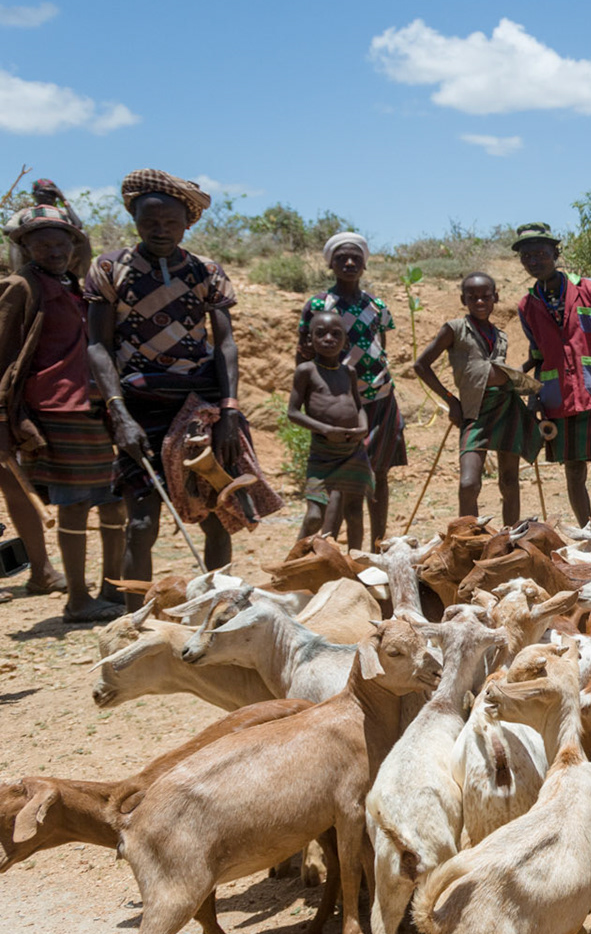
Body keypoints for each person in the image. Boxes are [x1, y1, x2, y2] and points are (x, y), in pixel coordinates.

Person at [85, 170, 249, 604]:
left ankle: (220, 613)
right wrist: (118, 414)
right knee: (141, 524)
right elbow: (98, 346)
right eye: (149, 222)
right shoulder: (109, 269)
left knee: (217, 513)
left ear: (187, 224)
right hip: (137, 406)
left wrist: (229, 410)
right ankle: (136, 625)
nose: (160, 231)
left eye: (170, 224)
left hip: (199, 407)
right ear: (133, 218)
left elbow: (225, 342)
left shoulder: (205, 272)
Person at [0, 206, 125, 621]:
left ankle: (114, 587)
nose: (54, 250)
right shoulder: (21, 286)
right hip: (54, 407)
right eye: (42, 242)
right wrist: (7, 419)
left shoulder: (75, 284)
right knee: (74, 504)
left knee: (113, 500)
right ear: (25, 246)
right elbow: (4, 355)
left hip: (94, 403)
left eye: (62, 241)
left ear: (75, 246)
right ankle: (78, 599)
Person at [512, 222, 591, 524]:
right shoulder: (527, 305)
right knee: (574, 472)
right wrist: (534, 398)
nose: (534, 261)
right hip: (558, 401)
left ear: (556, 252)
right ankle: (589, 536)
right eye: (527, 257)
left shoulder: (590, 290)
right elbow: (538, 356)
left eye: (541, 253)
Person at [297, 232, 405, 541]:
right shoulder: (318, 304)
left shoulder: (376, 305)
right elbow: (302, 354)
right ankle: (331, 547)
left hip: (380, 396)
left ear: (365, 265)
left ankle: (379, 544)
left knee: (379, 473)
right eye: (341, 257)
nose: (349, 262)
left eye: (356, 258)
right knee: (342, 480)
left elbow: (378, 346)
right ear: (330, 263)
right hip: (338, 402)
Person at [415, 272, 539, 521]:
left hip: (507, 407)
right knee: (469, 484)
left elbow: (497, 372)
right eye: (473, 297)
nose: (480, 302)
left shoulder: (501, 335)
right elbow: (421, 365)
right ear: (464, 299)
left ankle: (510, 537)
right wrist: (451, 399)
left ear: (496, 297)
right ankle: (469, 539)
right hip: (474, 411)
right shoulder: (455, 329)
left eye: (485, 296)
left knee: (509, 480)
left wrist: (527, 369)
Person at [288, 311, 371, 542]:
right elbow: (293, 412)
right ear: (309, 340)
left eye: (336, 334)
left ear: (345, 340)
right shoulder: (306, 370)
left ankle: (356, 567)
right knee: (315, 516)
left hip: (354, 451)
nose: (328, 339)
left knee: (354, 513)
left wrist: (363, 428)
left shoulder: (349, 372)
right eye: (320, 333)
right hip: (324, 453)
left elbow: (359, 406)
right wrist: (326, 430)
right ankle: (293, 566)